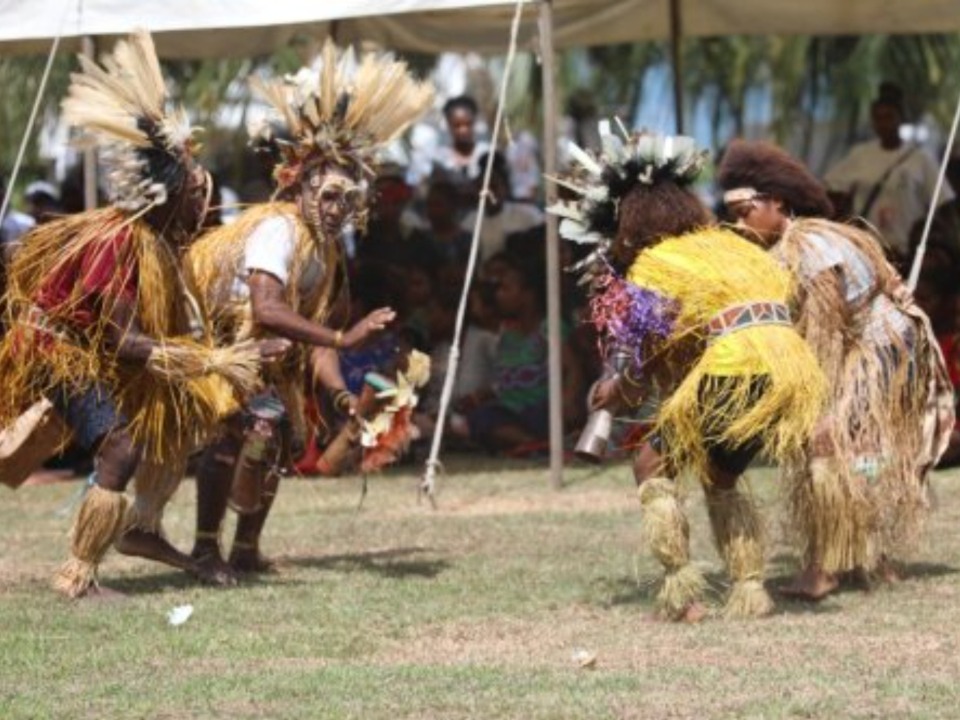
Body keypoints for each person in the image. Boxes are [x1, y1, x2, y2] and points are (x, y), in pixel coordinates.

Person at [0, 31, 264, 598]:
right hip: (57, 347)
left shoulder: (156, 246)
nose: (203, 202)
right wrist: (213, 360)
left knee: (156, 429)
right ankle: (78, 577)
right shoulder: (123, 241)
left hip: (82, 346)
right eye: (195, 191)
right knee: (121, 445)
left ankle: (141, 533)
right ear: (166, 194)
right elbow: (125, 342)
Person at [182, 40, 433, 578]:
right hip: (228, 341)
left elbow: (318, 334)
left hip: (275, 349)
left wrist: (340, 391)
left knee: (285, 439)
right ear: (302, 186)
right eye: (330, 196)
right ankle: (206, 549)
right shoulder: (279, 229)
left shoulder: (326, 249)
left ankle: (245, 551)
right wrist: (343, 341)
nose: (340, 209)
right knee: (247, 434)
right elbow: (268, 309)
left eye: (349, 199)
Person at [553, 130, 826, 621]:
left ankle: (683, 599)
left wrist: (615, 394)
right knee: (720, 476)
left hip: (736, 368)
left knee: (649, 465)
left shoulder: (656, 264)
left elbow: (647, 361)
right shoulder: (733, 244)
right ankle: (749, 591)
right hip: (791, 373)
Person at [718, 140, 955, 599]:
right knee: (861, 451)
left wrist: (823, 404)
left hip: (876, 351)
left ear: (777, 205)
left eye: (746, 210)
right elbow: (883, 276)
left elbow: (825, 333)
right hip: (884, 345)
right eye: (733, 213)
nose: (738, 222)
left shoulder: (808, 249)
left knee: (825, 444)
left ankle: (823, 568)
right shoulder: (809, 239)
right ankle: (869, 556)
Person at [824, 82, 954, 265]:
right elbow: (832, 189)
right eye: (878, 118)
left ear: (901, 118)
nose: (884, 123)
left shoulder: (920, 159)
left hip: (906, 253)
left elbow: (944, 203)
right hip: (868, 252)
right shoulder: (861, 154)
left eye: (889, 117)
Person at [460, 151, 544, 263]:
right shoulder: (469, 222)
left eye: (494, 186)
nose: (488, 193)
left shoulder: (528, 215)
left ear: (505, 188)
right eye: (482, 187)